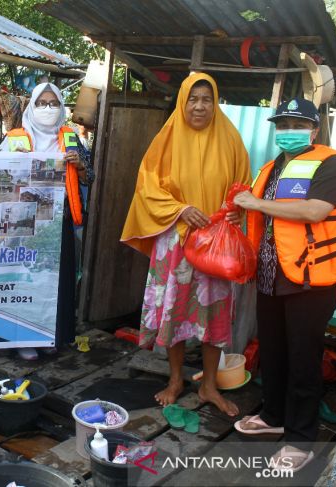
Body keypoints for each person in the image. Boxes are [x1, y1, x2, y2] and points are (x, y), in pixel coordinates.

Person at [232, 98, 336, 472]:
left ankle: (301, 439)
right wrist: (242, 207)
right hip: (271, 276)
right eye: (282, 124)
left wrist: (256, 204)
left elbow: (314, 210)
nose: (288, 131)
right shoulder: (275, 165)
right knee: (272, 352)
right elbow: (267, 212)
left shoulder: (330, 163)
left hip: (311, 281)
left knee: (303, 359)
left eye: (296, 124)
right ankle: (273, 416)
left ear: (314, 128)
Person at [121, 73, 251, 416]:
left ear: (215, 101)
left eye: (207, 98)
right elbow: (147, 186)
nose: (200, 105)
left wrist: (236, 213)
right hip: (177, 239)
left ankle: (208, 385)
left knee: (214, 315)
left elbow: (243, 188)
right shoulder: (167, 138)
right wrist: (180, 209)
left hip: (217, 244)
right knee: (175, 312)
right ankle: (176, 379)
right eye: (193, 99)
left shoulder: (230, 138)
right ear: (182, 101)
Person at [1, 82, 94, 360]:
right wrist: (11, 163)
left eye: (54, 103)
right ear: (31, 106)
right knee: (25, 278)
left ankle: (48, 335)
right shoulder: (15, 138)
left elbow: (90, 177)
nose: (48, 109)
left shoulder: (71, 139)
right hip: (24, 224)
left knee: (55, 281)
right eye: (42, 103)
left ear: (62, 107)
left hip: (59, 222)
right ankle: (21, 338)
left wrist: (80, 165)